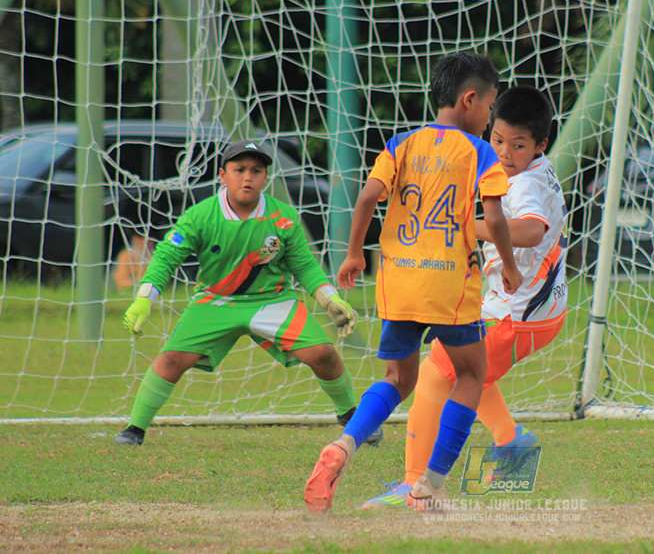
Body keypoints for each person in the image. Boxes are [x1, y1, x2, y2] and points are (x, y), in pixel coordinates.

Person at [303, 52, 523, 514]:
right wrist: (508, 264)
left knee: (396, 379)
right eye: (489, 106)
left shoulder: (400, 143)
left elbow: (366, 196)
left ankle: (343, 446)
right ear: (469, 100)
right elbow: (496, 218)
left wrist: (353, 253)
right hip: (450, 288)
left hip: (399, 283)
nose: (490, 118)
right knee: (470, 374)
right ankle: (432, 484)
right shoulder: (480, 153)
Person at [361, 85, 567, 508]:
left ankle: (417, 486)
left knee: (438, 371)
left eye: (519, 145)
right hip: (526, 305)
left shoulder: (525, 184)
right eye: (498, 141)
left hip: (522, 311)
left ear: (540, 145)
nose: (506, 153)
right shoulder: (521, 171)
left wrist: (462, 225)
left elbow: (529, 230)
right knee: (466, 364)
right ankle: (512, 444)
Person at [114, 139, 380, 449]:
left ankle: (351, 416)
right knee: (171, 360)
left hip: (272, 300)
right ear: (223, 175)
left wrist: (329, 299)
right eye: (239, 170)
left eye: (256, 170)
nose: (248, 177)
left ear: (266, 177)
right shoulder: (200, 216)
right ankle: (134, 430)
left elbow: (305, 266)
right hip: (215, 301)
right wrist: (145, 298)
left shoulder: (283, 217)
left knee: (323, 353)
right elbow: (165, 259)